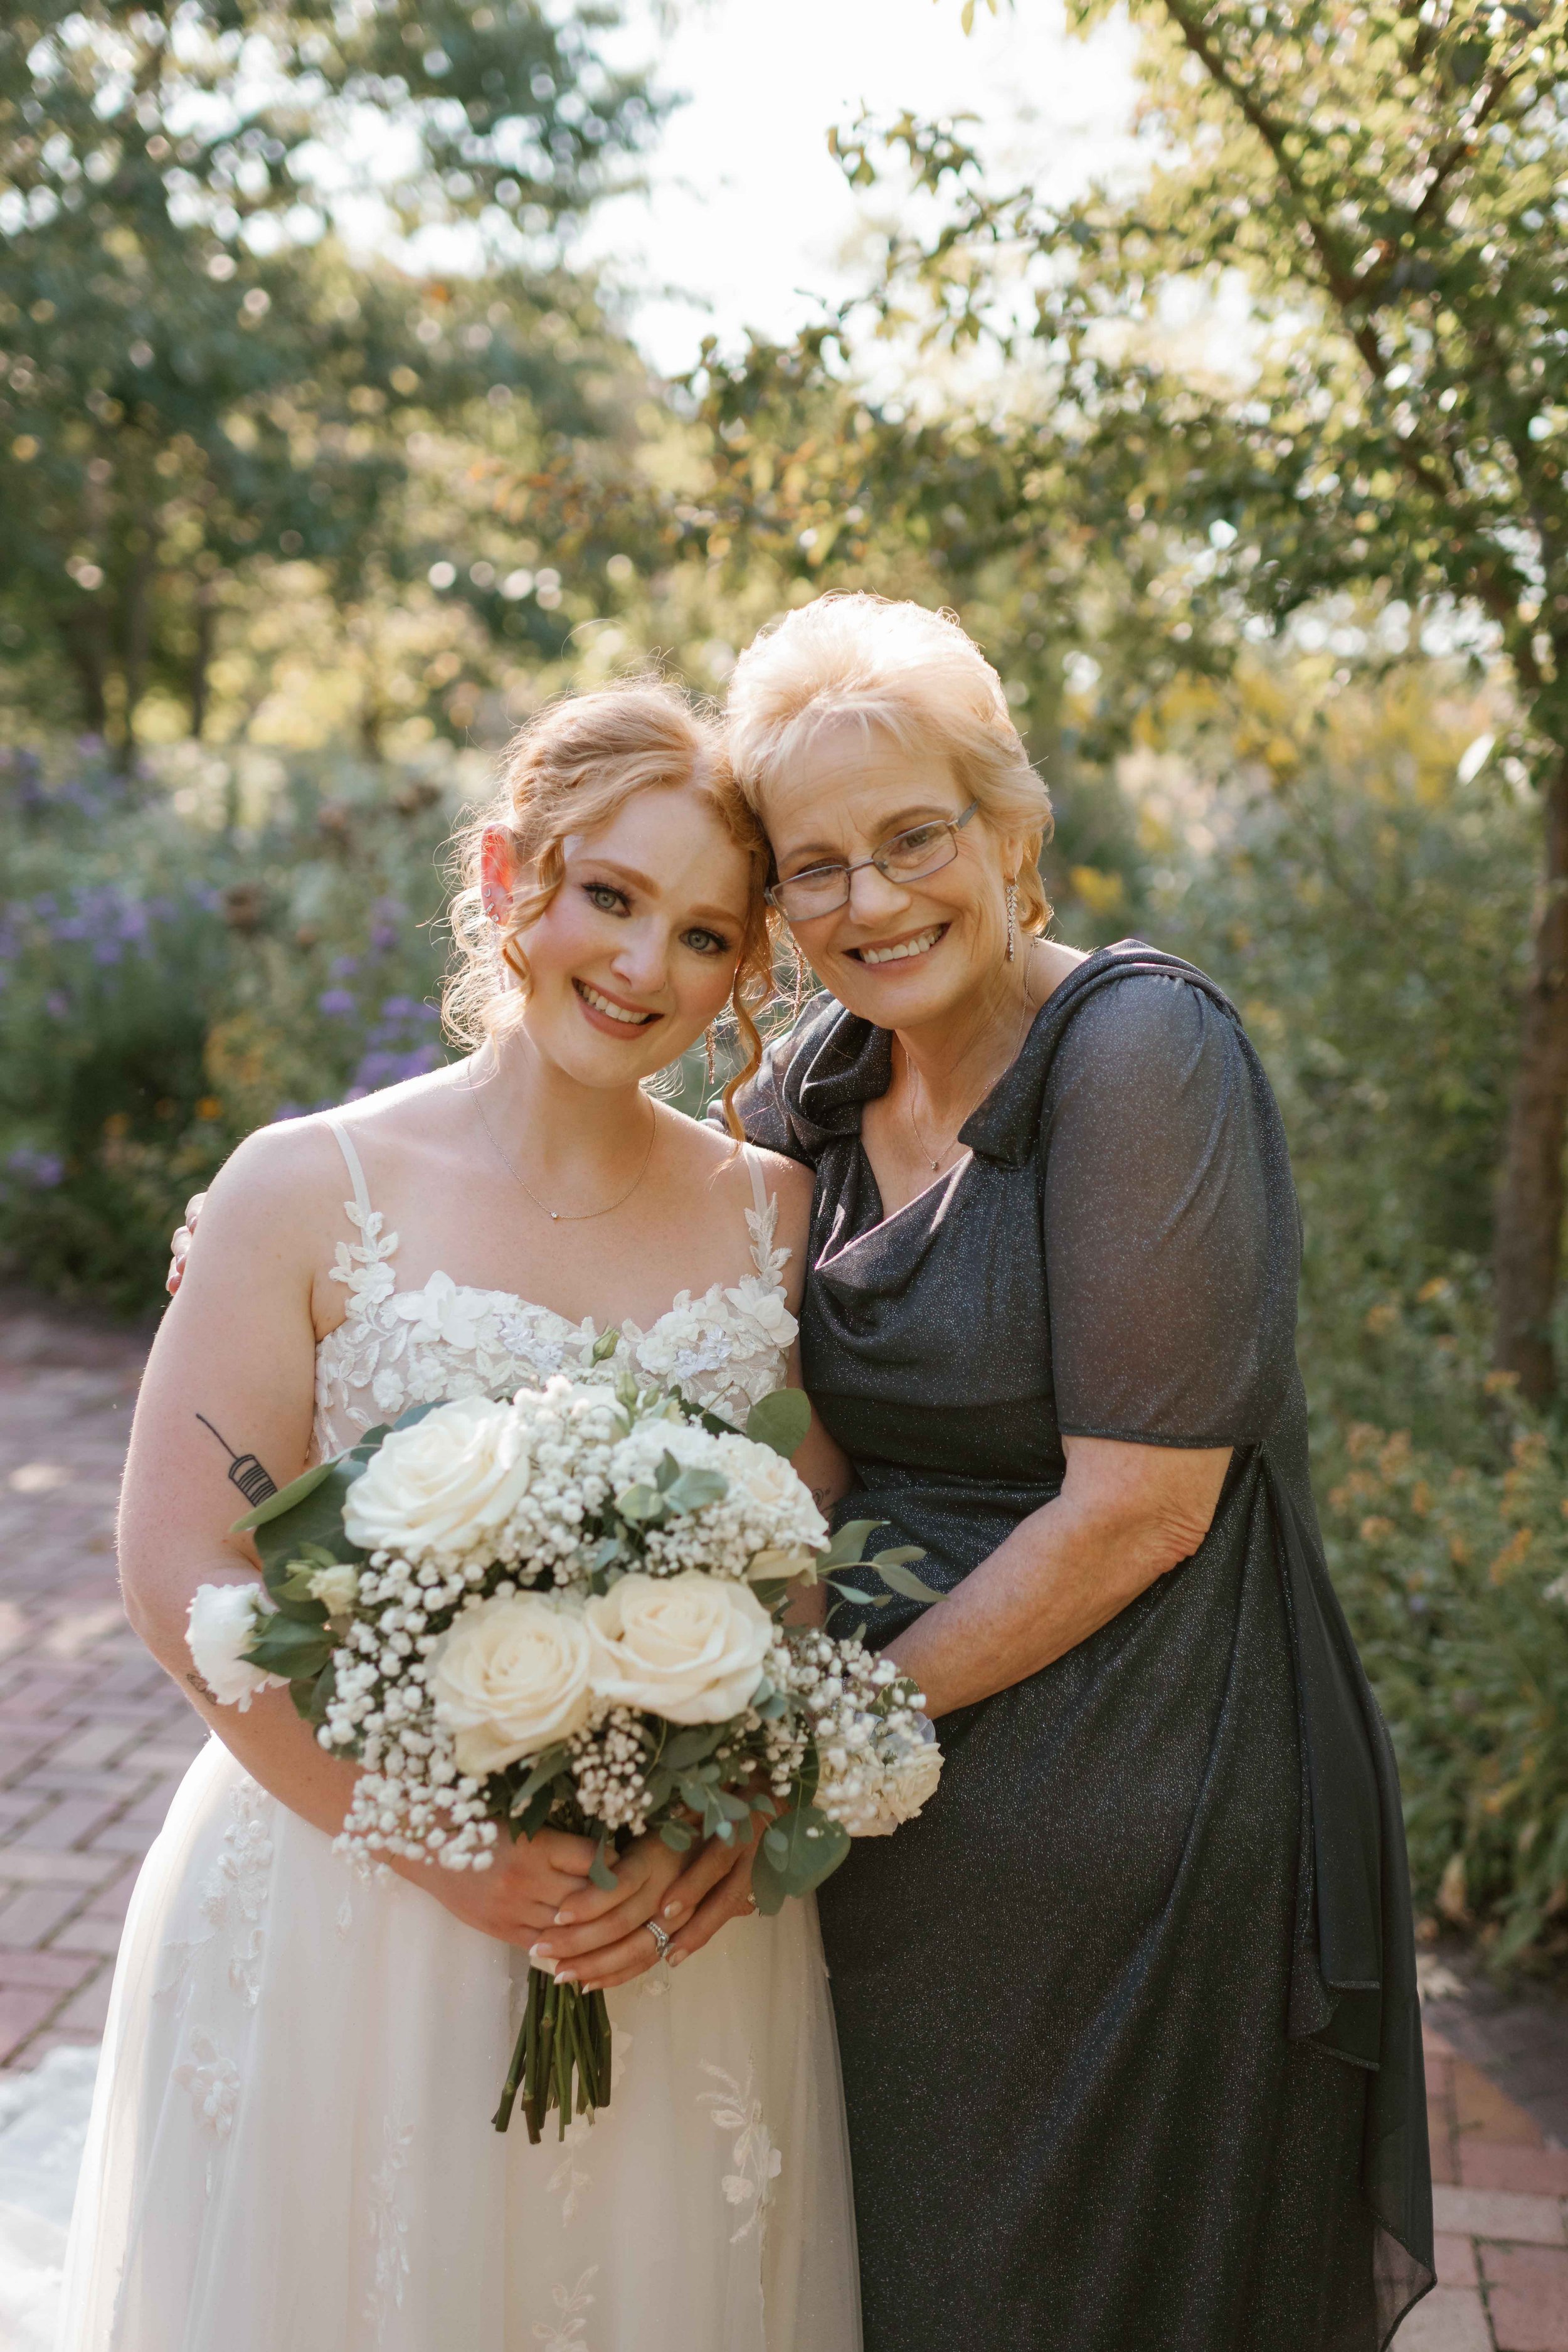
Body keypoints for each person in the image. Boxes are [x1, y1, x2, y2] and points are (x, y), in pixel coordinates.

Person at [62, 682, 861, 2352]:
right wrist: (445, 1851)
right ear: (509, 876)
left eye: (706, 936)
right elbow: (177, 1563)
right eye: (609, 898)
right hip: (349, 1898)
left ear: (746, 978)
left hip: (656, 1925)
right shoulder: (306, 1186)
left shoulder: (771, 1215)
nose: (644, 967)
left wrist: (728, 1827)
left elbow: (798, 1573)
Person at [714, 593, 1434, 2352]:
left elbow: (1140, 1507)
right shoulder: (802, 1097)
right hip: (884, 1818)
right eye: (816, 868)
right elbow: (703, 1361)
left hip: (1137, 1802)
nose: (870, 903)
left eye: (913, 839)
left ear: (1010, 832)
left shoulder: (1136, 1050)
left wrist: (819, 1740)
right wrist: (311, 1224)